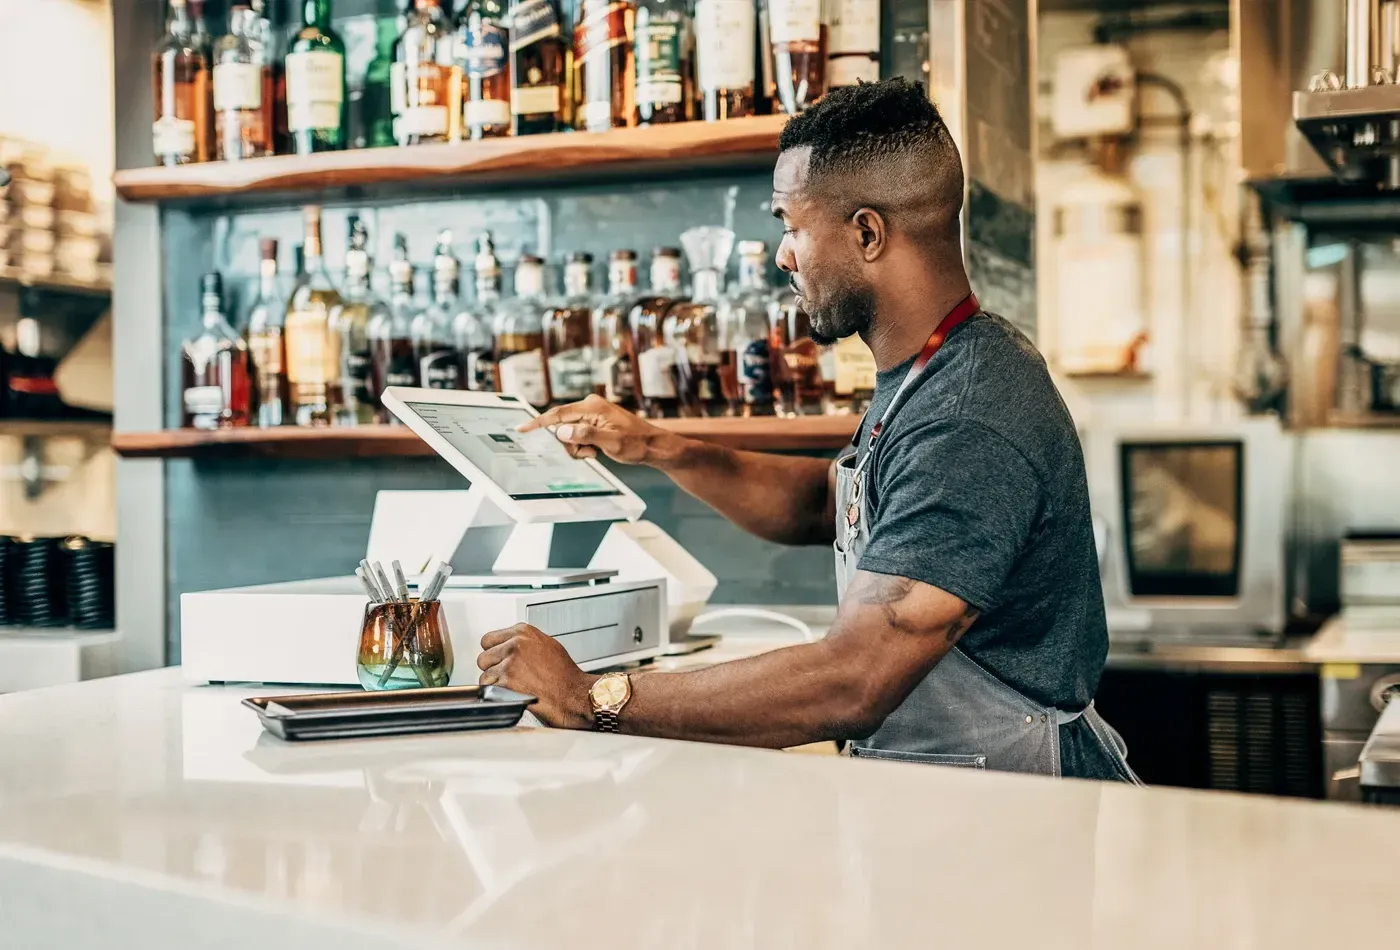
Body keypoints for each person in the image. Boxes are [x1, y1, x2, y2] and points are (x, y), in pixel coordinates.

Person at [475, 78, 1141, 782]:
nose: (783, 255)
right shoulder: (931, 372)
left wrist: (589, 698)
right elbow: (830, 502)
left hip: (1014, 811)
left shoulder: (967, 415)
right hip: (948, 795)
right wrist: (655, 447)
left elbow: (854, 679)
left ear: (866, 233)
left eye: (790, 224)